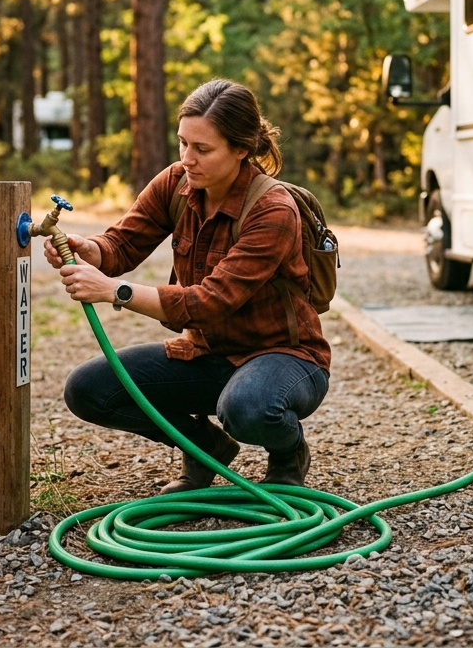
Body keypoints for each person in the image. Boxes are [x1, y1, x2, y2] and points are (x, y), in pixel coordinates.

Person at [45, 79, 331, 493]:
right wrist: (89, 250)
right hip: (207, 353)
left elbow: (211, 302)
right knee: (89, 390)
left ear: (241, 150)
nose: (187, 159)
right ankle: (206, 447)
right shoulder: (177, 183)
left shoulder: (274, 211)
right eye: (183, 143)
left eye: (203, 149)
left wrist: (116, 291)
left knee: (247, 409)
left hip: (283, 355)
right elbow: (122, 244)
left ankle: (289, 452)